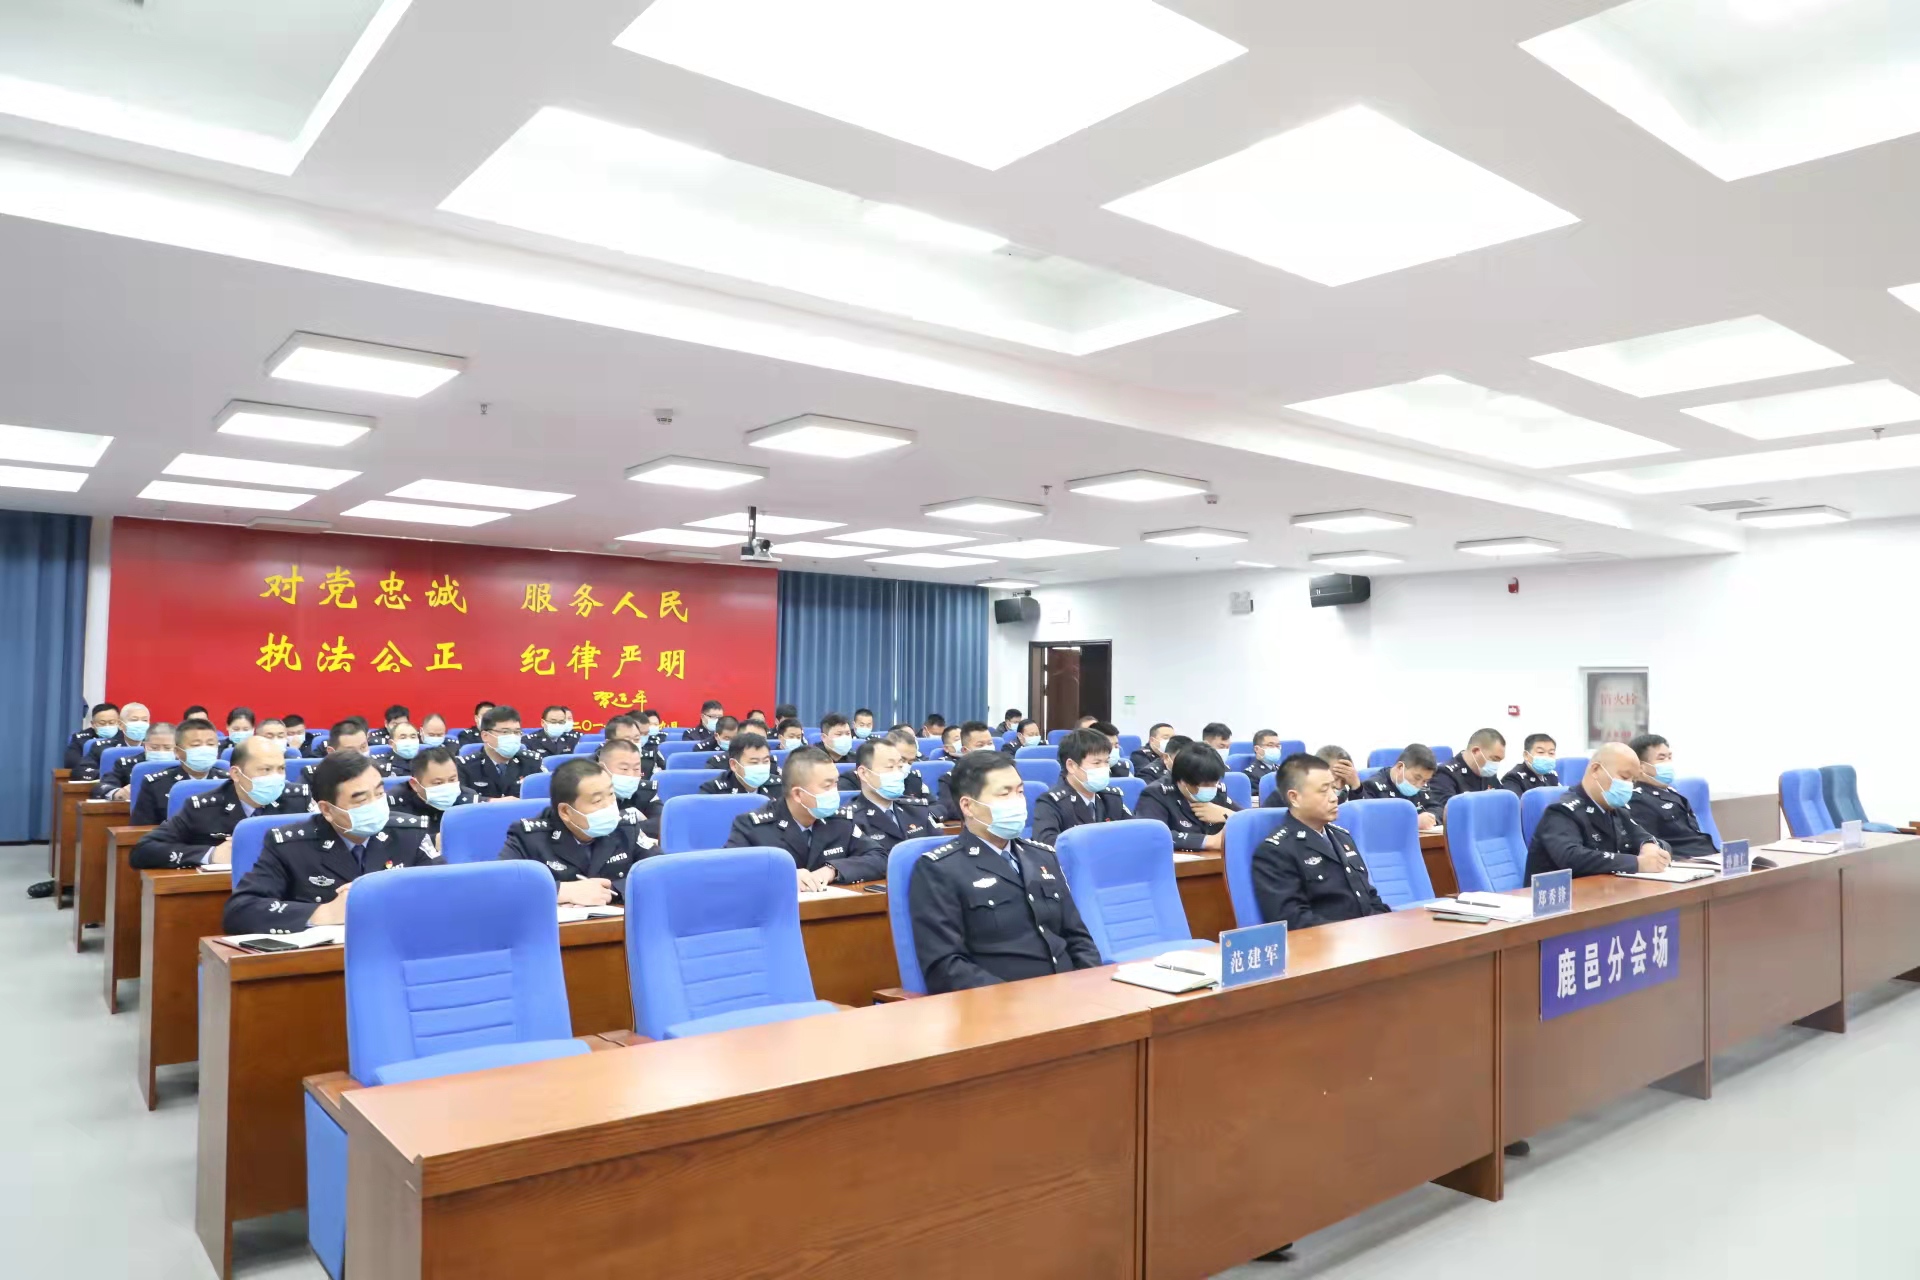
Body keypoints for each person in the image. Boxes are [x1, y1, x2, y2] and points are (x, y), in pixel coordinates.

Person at [908, 749, 1100, 993]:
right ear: (968, 806)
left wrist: (1090, 984)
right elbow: (945, 966)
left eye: (1019, 792)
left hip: (1070, 994)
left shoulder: (1042, 856)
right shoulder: (939, 869)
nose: (1017, 801)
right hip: (1000, 1002)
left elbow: (1078, 937)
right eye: (1004, 793)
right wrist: (1014, 1000)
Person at [222, 750, 440, 934]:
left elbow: (444, 892)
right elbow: (240, 911)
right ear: (327, 810)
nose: (374, 805)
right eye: (361, 799)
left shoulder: (409, 834)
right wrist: (322, 913)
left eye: (379, 793)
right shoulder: (290, 846)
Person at [1252, 753, 1391, 930]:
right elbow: (1293, 921)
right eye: (1324, 790)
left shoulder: (1342, 837)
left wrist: (1386, 925)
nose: (1334, 797)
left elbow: (1369, 896)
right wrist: (1354, 934)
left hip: (1366, 937)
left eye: (1333, 788)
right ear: (1295, 797)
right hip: (1326, 942)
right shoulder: (1276, 852)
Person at [131, 735, 313, 869]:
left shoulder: (298, 800)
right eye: (265, 770)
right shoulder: (202, 808)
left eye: (281, 769)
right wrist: (211, 855)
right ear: (236, 774)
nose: (276, 777)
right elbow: (143, 851)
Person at [499, 757, 656, 905]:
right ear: (566, 812)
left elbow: (659, 872)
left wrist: (611, 890)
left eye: (611, 794)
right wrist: (559, 890)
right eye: (597, 800)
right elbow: (501, 886)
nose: (609, 805)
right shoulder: (529, 837)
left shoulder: (627, 828)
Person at [1525, 743, 1672, 879]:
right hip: (1561, 894)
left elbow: (1648, 838)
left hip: (1606, 891)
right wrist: (1637, 863)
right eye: (1624, 777)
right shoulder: (1562, 810)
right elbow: (1572, 858)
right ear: (1595, 770)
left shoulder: (1617, 812)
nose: (1629, 786)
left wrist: (1649, 847)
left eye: (1632, 781)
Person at [723, 746, 857, 890]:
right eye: (827, 786)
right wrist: (783, 876)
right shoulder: (752, 827)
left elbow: (873, 855)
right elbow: (730, 871)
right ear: (798, 794)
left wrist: (832, 870)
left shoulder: (840, 820)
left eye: (836, 783)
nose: (834, 792)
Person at [826, 736, 941, 882]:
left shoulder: (916, 809)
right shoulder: (848, 820)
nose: (898, 773)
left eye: (900, 766)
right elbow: (859, 863)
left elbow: (941, 851)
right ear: (864, 773)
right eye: (890, 767)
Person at [1032, 728, 1131, 846]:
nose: (1105, 768)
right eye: (1097, 763)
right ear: (1071, 766)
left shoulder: (1111, 798)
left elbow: (1134, 833)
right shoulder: (1051, 803)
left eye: (1106, 762)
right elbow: (1047, 844)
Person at [1625, 734, 1718, 860]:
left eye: (1669, 757)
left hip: (1707, 856)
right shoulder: (1638, 800)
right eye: (1661, 758)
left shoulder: (1672, 793)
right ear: (1641, 767)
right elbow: (1652, 847)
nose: (1668, 763)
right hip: (1684, 862)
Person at [1135, 743, 1238, 852]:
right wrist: (1209, 841)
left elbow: (1248, 818)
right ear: (1183, 781)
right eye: (1205, 785)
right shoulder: (1156, 794)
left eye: (1215, 782)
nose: (1212, 788)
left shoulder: (1218, 792)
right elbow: (1152, 834)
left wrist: (1229, 815)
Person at [131, 717, 228, 824]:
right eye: (196, 745)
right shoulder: (156, 785)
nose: (204, 750)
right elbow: (141, 829)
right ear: (177, 751)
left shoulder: (230, 782)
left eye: (210, 744)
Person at [455, 705, 542, 799]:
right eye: (505, 732)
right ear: (485, 736)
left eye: (516, 732)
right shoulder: (465, 767)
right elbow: (459, 797)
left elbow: (546, 793)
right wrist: (491, 802)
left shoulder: (532, 762)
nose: (512, 737)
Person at [387, 744, 476, 835]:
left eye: (452, 780)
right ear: (415, 784)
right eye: (438, 783)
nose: (447, 787)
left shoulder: (469, 800)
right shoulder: (395, 808)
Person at [1356, 743, 1442, 828]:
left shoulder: (1423, 786)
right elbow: (1372, 821)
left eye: (1425, 781)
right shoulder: (1373, 786)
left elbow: (1438, 809)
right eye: (1416, 778)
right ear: (1400, 767)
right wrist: (1412, 822)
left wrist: (1430, 818)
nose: (1419, 785)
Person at [87, 720, 174, 799]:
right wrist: (117, 793)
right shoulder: (126, 764)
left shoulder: (180, 767)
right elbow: (101, 787)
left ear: (177, 749)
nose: (161, 751)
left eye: (167, 748)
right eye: (154, 747)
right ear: (145, 746)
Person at [594, 738, 660, 837]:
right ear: (602, 768)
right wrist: (629, 818)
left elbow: (660, 823)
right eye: (624, 769)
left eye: (636, 769)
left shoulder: (646, 791)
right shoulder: (590, 794)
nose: (631, 775)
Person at [1428, 728, 1507, 809]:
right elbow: (1448, 811)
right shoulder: (1445, 774)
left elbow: (1504, 803)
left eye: (1499, 761)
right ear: (1475, 751)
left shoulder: (1489, 774)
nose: (1496, 765)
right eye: (1494, 759)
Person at [938, 721, 999, 818]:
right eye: (980, 745)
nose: (987, 748)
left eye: (990, 743)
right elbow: (950, 809)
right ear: (965, 751)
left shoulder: (1005, 774)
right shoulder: (950, 779)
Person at [701, 730, 782, 797]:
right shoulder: (713, 791)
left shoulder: (781, 786)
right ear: (734, 765)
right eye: (754, 762)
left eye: (766, 761)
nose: (761, 767)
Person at [62, 702, 122, 771]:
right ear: (93, 724)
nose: (107, 726)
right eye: (102, 723)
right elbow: (72, 763)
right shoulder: (80, 739)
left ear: (119, 723)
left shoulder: (126, 738)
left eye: (111, 722)